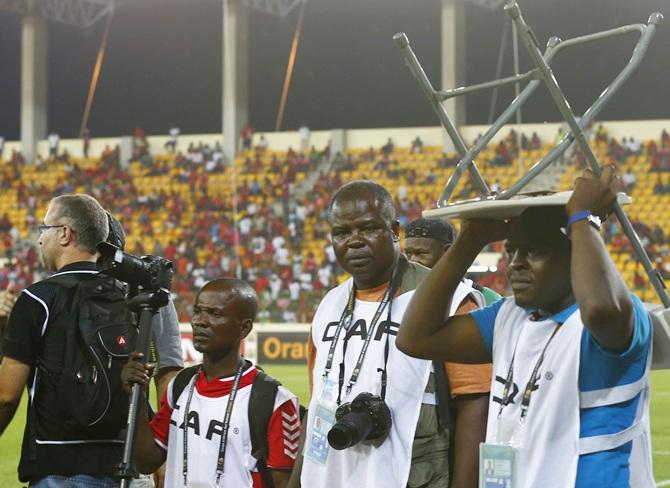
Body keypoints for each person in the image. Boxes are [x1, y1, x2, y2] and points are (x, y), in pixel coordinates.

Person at [397, 166, 654, 487]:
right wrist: (470, 240)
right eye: (512, 250)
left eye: (535, 251)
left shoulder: (619, 314)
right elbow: (415, 338)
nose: (516, 263)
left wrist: (585, 221)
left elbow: (601, 309)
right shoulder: (509, 315)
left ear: (574, 255)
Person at [296, 181, 486, 488]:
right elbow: (318, 402)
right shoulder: (329, 305)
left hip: (416, 476)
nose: (354, 241)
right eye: (342, 233)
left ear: (394, 230)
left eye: (367, 228)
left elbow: (476, 405)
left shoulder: (447, 297)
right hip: (335, 476)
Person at [122, 278, 300, 488]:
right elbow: (146, 462)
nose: (200, 321)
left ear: (244, 328)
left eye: (215, 314)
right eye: (198, 311)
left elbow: (286, 484)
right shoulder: (180, 386)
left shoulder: (274, 400)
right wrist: (137, 395)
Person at [0, 194, 119, 486]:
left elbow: (6, 395)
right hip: (117, 464)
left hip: (57, 464)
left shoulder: (37, 299)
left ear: (64, 233)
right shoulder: (128, 297)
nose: (40, 240)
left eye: (44, 229)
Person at [403, 217, 497, 487]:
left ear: (447, 252)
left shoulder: (478, 301)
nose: (412, 261)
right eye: (408, 253)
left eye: (420, 253)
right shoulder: (400, 299)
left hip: (452, 444)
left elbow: (477, 400)